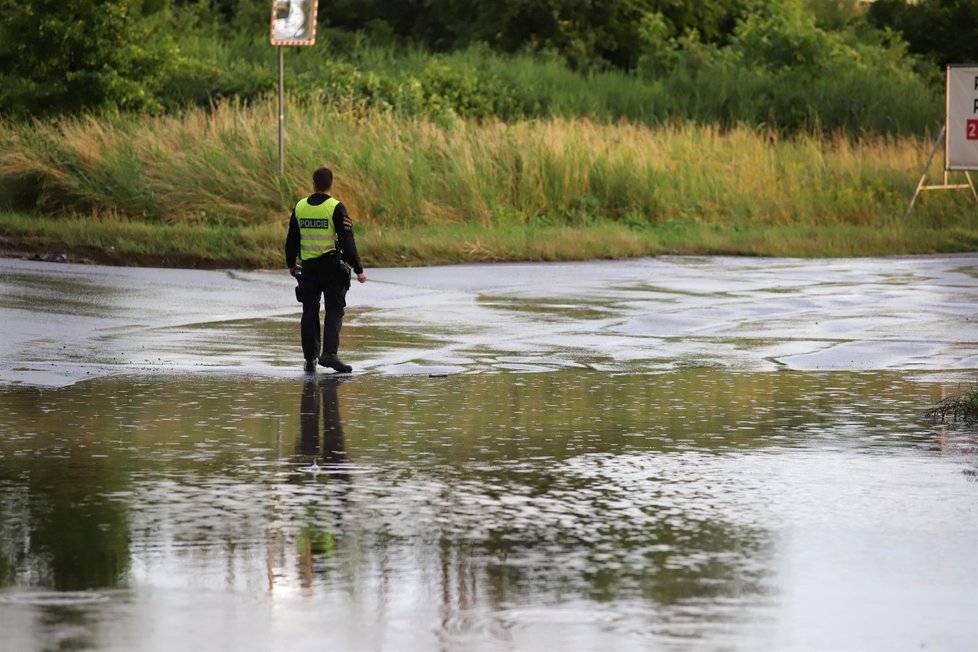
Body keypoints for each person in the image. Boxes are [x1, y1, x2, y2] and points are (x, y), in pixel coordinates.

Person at [285, 167, 367, 373]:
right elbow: (347, 242)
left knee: (309, 311)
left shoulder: (300, 207)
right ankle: (329, 354)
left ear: (313, 183)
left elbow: (291, 239)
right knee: (334, 309)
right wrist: (358, 269)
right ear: (331, 184)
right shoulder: (336, 208)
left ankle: (310, 359)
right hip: (331, 268)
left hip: (308, 269)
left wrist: (290, 264)